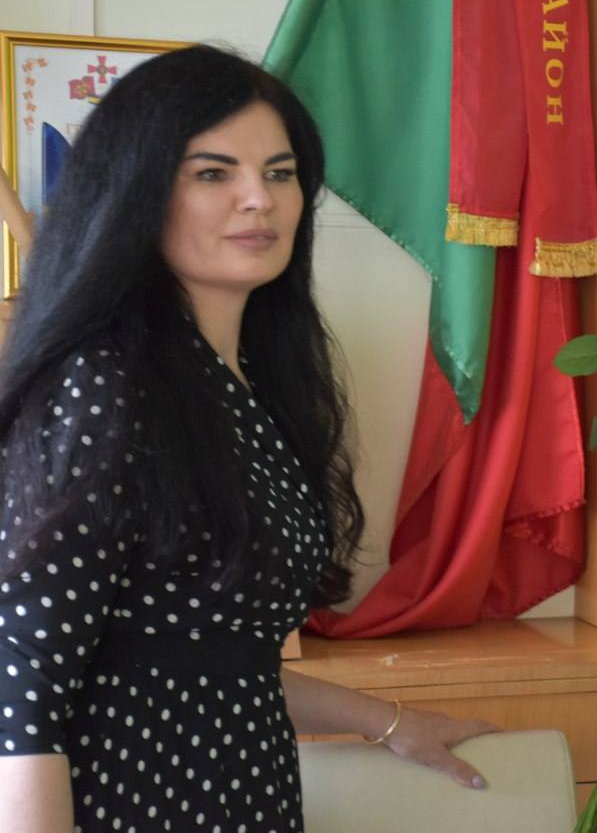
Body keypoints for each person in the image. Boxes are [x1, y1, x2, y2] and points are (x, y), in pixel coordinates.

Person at [0, 45, 497, 832]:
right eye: (213, 173)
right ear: (137, 191)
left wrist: (391, 722)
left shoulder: (250, 384)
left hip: (242, 792)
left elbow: (218, 661)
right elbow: (22, 685)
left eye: (279, 172)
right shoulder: (105, 383)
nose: (258, 199)